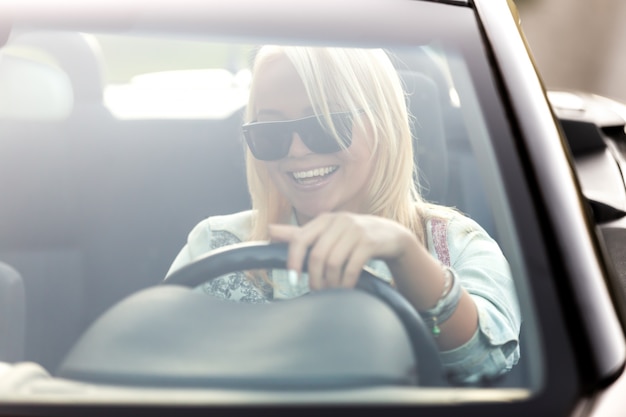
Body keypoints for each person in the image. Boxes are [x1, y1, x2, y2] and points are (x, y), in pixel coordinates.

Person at [166, 45, 521, 385]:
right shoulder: (214, 243)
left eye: (324, 124)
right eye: (270, 133)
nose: (297, 150)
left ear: (383, 123)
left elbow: (483, 363)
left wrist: (405, 253)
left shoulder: (455, 244)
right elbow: (153, 364)